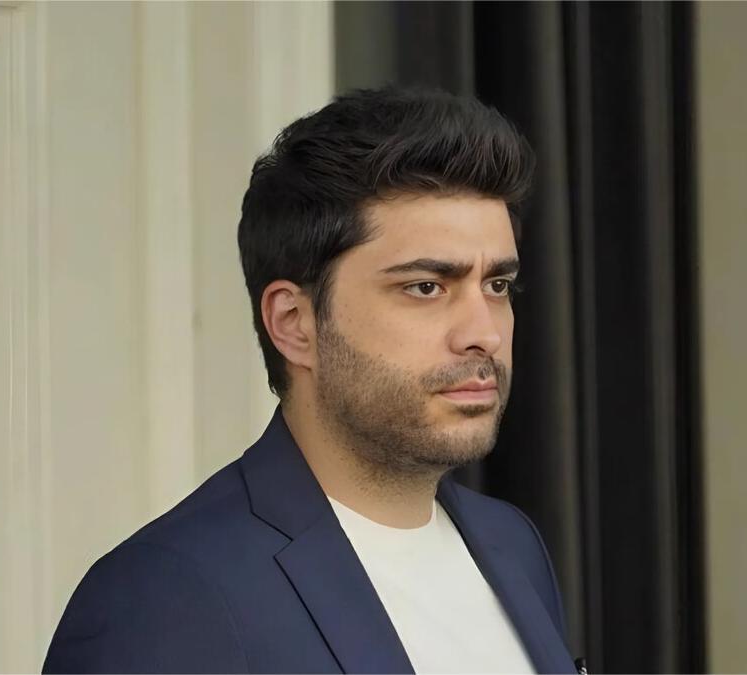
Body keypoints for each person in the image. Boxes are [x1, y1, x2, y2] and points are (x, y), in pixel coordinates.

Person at [43, 86, 574, 674]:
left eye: (497, 286)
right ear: (294, 323)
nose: (485, 334)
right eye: (426, 287)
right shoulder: (165, 598)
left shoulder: (513, 545)